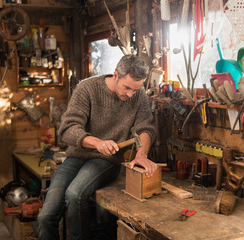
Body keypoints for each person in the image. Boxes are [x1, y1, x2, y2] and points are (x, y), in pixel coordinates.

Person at [37, 54, 157, 240]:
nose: (130, 94)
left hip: (107, 160)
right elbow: (68, 129)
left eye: (136, 89)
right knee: (46, 217)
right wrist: (97, 143)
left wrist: (141, 154)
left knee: (75, 194)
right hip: (78, 155)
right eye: (127, 88)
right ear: (116, 75)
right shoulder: (87, 88)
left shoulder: (137, 94)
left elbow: (145, 127)